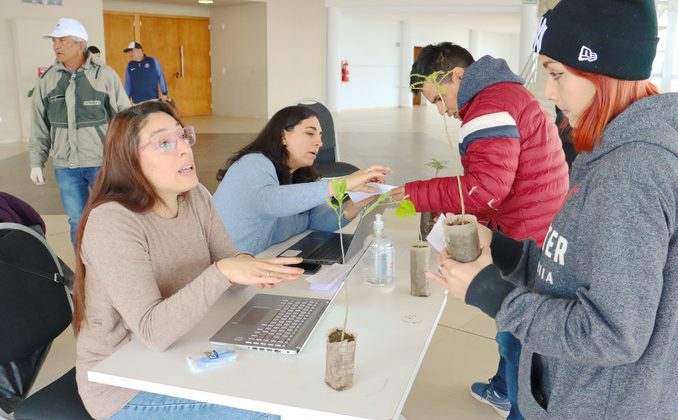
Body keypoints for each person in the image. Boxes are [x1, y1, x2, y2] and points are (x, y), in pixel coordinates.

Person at [428, 0, 678, 418]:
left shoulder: (631, 174)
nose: (549, 93)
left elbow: (612, 335)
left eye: (557, 73)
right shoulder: (612, 152)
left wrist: (495, 296)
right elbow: (577, 271)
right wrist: (507, 252)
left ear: (605, 70)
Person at [73, 101, 303, 419]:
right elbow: (152, 332)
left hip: (187, 348)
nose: (184, 149)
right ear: (130, 159)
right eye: (165, 143)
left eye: (183, 136)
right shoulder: (113, 221)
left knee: (293, 380)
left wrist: (250, 268)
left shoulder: (195, 196)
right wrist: (224, 271)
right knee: (275, 412)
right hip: (125, 383)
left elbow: (229, 271)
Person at [391, 42, 569, 419]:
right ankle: (504, 387)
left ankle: (519, 406)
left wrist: (412, 194)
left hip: (524, 234)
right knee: (515, 323)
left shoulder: (488, 106)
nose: (444, 111)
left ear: (459, 76)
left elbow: (483, 189)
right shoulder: (504, 93)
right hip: (537, 223)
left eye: (439, 99)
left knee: (515, 327)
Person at [213, 105, 391, 255]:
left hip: (260, 264)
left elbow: (315, 220)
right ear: (283, 136)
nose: (319, 142)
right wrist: (343, 183)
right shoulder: (253, 163)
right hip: (226, 275)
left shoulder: (299, 176)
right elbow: (272, 201)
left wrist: (354, 205)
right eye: (310, 133)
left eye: (320, 135)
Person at [29, 18, 130, 244]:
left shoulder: (104, 76)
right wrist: (36, 162)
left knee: (110, 216)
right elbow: (39, 124)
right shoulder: (47, 80)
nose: (56, 46)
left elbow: (124, 118)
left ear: (80, 45)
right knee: (77, 219)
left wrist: (127, 157)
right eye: (54, 41)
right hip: (66, 166)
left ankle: (113, 259)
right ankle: (83, 269)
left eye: (62, 40)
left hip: (101, 163)